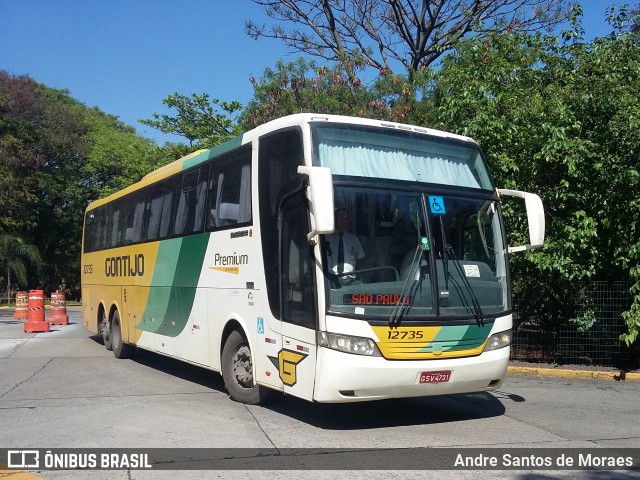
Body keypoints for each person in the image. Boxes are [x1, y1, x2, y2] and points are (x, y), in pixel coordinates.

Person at [326, 208, 365, 279]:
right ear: (334, 219)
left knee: (362, 288)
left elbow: (360, 257)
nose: (344, 222)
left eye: (346, 219)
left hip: (349, 278)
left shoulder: (353, 239)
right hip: (330, 278)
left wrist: (356, 271)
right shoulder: (325, 237)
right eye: (341, 218)